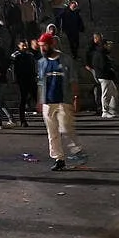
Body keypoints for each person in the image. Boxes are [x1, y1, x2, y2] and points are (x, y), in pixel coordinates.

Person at [36, 32, 87, 171]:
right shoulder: (41, 63)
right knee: (52, 132)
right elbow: (40, 82)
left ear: (51, 44)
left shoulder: (66, 59)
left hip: (63, 100)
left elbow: (73, 79)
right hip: (48, 101)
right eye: (40, 46)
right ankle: (59, 158)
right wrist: (40, 100)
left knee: (65, 128)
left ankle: (77, 151)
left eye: (44, 45)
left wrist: (76, 97)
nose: (42, 49)